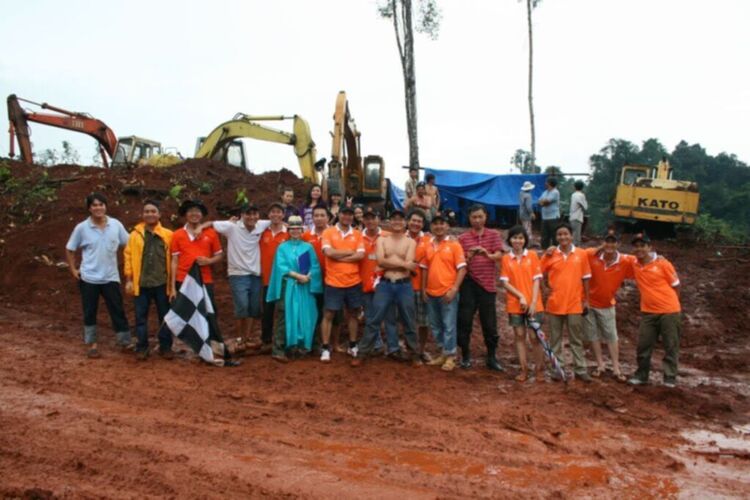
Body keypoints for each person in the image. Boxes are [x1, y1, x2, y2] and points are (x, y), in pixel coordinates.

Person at [65, 193, 131, 358]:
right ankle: (92, 344)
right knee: (90, 311)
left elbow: (129, 245)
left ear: (105, 206)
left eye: (101, 204)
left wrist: (130, 268)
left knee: (117, 309)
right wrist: (73, 269)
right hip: (89, 278)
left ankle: (124, 341)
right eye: (94, 205)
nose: (98, 208)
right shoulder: (82, 228)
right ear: (89, 208)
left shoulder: (115, 225)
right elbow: (70, 248)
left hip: (111, 277)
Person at [352, 210, 421, 366]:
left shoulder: (411, 242)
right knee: (373, 319)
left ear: (405, 223)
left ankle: (414, 353)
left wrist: (401, 264)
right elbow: (381, 262)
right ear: (390, 222)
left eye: (400, 220)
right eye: (394, 219)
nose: (397, 222)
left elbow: (409, 264)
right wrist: (404, 264)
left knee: (409, 320)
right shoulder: (382, 240)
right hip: (385, 283)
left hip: (404, 284)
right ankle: (362, 352)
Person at [204, 203, 271, 351]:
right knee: (242, 307)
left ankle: (248, 338)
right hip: (237, 274)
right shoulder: (231, 227)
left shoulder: (261, 225)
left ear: (258, 216)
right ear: (242, 215)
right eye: (248, 214)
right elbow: (211, 223)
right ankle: (240, 338)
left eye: (255, 214)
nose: (252, 217)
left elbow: (278, 222)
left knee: (254, 308)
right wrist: (197, 229)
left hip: (255, 274)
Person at [169, 200, 224, 356]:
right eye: (191, 211)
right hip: (183, 281)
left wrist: (209, 261)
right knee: (187, 314)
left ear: (202, 215)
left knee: (208, 312)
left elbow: (219, 255)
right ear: (185, 215)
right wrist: (173, 287)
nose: (194, 214)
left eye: (197, 211)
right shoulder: (177, 234)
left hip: (205, 280)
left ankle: (211, 346)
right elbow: (174, 260)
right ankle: (192, 347)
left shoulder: (211, 233)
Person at [627, 233, 682, 388]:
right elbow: (615, 255)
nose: (639, 249)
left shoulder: (663, 264)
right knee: (643, 345)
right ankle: (642, 375)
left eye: (642, 246)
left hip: (669, 311)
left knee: (671, 345)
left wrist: (673, 306)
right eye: (636, 246)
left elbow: (676, 285)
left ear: (649, 247)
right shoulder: (634, 263)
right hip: (648, 312)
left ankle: (670, 377)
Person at [266, 216, 323, 362]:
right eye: (292, 228)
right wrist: (298, 276)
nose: (295, 231)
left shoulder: (308, 247)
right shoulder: (282, 247)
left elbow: (315, 266)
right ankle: (279, 348)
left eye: (298, 228)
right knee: (285, 315)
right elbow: (281, 267)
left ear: (302, 230)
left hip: (305, 286)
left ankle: (306, 345)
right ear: (289, 230)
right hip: (289, 285)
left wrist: (308, 276)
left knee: (308, 313)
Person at [541, 223, 592, 382]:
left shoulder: (581, 254)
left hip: (575, 303)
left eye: (566, 234)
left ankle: (580, 369)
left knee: (576, 339)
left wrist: (586, 301)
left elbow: (585, 279)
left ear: (571, 235)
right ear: (556, 237)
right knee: (555, 338)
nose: (563, 237)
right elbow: (538, 273)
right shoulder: (550, 254)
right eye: (559, 235)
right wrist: (545, 289)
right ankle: (557, 368)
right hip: (555, 303)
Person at [457, 204, 505, 371]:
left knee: (489, 323)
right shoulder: (462, 238)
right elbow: (459, 261)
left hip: (487, 285)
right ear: (469, 219)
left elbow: (499, 255)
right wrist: (468, 257)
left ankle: (491, 357)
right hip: (469, 283)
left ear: (486, 217)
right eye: (474, 217)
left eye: (480, 216)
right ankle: (465, 355)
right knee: (464, 320)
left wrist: (487, 254)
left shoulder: (494, 235)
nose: (477, 220)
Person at [123, 200, 173, 361]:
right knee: (140, 317)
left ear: (159, 214)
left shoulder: (168, 235)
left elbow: (174, 258)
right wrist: (129, 278)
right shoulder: (135, 235)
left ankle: (166, 347)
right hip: (141, 283)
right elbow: (128, 257)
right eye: (147, 211)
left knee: (165, 317)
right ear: (142, 214)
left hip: (162, 283)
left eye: (153, 211)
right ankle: (142, 347)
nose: (150, 214)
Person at [584, 231, 635, 382]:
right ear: (603, 242)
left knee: (611, 335)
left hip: (607, 304)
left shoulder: (625, 261)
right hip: (588, 302)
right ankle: (600, 365)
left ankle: (616, 367)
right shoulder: (591, 255)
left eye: (613, 242)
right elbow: (575, 252)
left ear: (618, 244)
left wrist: (657, 257)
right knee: (593, 335)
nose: (610, 245)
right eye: (607, 241)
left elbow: (642, 259)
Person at [319, 205, 365, 362]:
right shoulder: (328, 232)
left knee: (353, 314)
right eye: (344, 214)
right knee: (329, 314)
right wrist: (349, 252)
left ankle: (352, 345)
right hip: (333, 281)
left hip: (353, 281)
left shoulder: (357, 234)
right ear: (338, 214)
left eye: (350, 215)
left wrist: (337, 256)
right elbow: (328, 252)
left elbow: (360, 255)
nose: (347, 217)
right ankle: (325, 348)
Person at [500, 225, 545, 382]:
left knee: (534, 337)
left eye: (520, 238)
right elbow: (505, 283)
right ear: (509, 240)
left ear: (525, 240)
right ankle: (524, 369)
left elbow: (537, 280)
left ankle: (539, 370)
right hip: (515, 304)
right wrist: (520, 297)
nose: (517, 241)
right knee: (519, 336)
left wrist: (532, 301)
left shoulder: (532, 256)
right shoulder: (506, 258)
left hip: (534, 304)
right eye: (514, 238)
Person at [423, 214, 467, 371]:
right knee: (435, 325)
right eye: (435, 224)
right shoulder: (428, 245)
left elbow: (462, 268)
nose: (438, 227)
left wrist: (454, 288)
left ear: (447, 226)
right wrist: (423, 289)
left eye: (442, 224)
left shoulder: (454, 245)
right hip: (431, 292)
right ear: (431, 227)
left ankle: (451, 356)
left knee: (449, 325)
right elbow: (425, 269)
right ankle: (443, 352)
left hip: (447, 292)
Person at [358, 209, 395, 355]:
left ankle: (393, 347)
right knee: (369, 315)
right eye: (367, 218)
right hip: (365, 282)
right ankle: (377, 344)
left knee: (389, 317)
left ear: (378, 219)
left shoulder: (388, 236)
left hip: (385, 283)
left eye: (373, 218)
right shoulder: (357, 237)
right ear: (363, 221)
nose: (370, 221)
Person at [260, 203, 289, 354]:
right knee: (267, 311)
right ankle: (266, 340)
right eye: (273, 212)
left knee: (284, 311)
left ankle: (284, 341)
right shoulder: (262, 232)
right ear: (269, 215)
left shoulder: (289, 233)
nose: (276, 215)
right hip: (267, 279)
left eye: (279, 212)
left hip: (284, 279)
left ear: (283, 215)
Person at [302, 205, 331, 348]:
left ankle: (330, 342)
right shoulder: (306, 236)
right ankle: (313, 341)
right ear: (312, 218)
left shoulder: (333, 234)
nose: (319, 218)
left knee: (330, 311)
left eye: (322, 215)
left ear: (328, 218)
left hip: (332, 279)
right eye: (316, 215)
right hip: (312, 280)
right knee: (314, 310)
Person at [406, 209, 433, 361]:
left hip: (422, 288)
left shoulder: (429, 241)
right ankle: (410, 348)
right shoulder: (400, 238)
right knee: (405, 321)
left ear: (423, 224)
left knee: (423, 322)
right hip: (403, 287)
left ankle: (421, 350)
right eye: (413, 220)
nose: (416, 224)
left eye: (419, 222)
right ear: (408, 221)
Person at [538, 177, 560, 249]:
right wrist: (543, 202)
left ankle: (556, 251)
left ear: (549, 183)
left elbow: (546, 202)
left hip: (553, 217)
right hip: (545, 217)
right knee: (544, 236)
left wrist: (543, 202)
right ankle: (544, 251)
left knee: (554, 235)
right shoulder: (545, 192)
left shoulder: (555, 192)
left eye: (546, 182)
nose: (545, 183)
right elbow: (539, 202)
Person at [569, 180, 588, 246]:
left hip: (572, 217)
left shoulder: (573, 195)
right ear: (582, 187)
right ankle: (576, 251)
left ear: (575, 187)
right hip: (577, 217)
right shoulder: (581, 195)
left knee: (574, 235)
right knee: (576, 237)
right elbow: (585, 207)